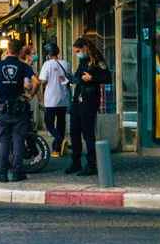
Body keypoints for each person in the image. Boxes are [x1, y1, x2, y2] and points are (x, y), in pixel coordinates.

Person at [0, 39, 39, 182]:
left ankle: (1, 174)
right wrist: (30, 96)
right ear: (20, 52)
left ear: (7, 50)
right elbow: (36, 82)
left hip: (3, 108)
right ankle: (17, 173)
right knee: (18, 141)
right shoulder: (23, 66)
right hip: (19, 108)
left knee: (3, 141)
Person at [65, 37, 112, 176]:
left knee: (87, 132)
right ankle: (76, 162)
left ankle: (91, 164)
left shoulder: (97, 61)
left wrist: (92, 79)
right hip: (78, 98)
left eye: (78, 50)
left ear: (86, 47)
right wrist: (71, 79)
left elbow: (107, 78)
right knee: (74, 131)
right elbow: (79, 78)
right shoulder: (83, 62)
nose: (77, 53)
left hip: (89, 99)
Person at [39, 43, 72, 158]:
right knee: (61, 124)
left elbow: (42, 80)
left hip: (51, 99)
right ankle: (57, 150)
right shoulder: (66, 64)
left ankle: (60, 140)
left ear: (48, 54)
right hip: (63, 98)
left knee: (48, 123)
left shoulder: (47, 64)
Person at [19, 45, 39, 131]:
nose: (36, 55)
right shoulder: (20, 67)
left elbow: (37, 85)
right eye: (33, 53)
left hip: (30, 100)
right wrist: (23, 83)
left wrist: (41, 99)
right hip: (22, 99)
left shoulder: (33, 69)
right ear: (27, 55)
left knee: (28, 121)